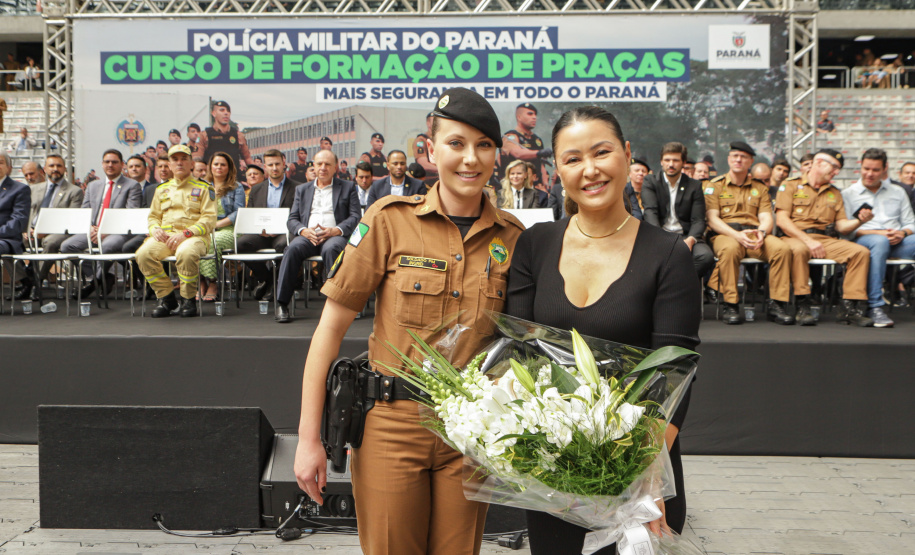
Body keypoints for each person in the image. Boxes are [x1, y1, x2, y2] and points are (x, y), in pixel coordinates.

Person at [293, 87, 524, 555]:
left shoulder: (513, 238)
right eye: (456, 143)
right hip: (391, 425)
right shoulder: (389, 220)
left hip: (470, 432)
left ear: (496, 155)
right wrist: (307, 439)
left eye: (483, 145)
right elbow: (329, 331)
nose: (470, 158)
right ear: (431, 149)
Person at [505, 106, 699, 555]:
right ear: (558, 171)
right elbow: (518, 351)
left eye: (601, 152)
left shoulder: (668, 253)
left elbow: (676, 371)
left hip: (639, 475)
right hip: (553, 476)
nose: (589, 169)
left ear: (627, 154)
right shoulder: (535, 245)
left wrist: (643, 472)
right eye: (573, 159)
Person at [776, 149, 873, 326]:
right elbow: (782, 220)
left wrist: (860, 220)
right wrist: (808, 240)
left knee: (860, 252)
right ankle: (802, 304)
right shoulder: (790, 185)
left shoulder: (834, 192)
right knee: (800, 250)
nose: (836, 172)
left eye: (838, 169)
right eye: (834, 167)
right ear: (819, 162)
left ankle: (849, 308)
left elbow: (841, 227)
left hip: (824, 239)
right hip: (794, 236)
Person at [704, 142, 794, 325]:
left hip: (754, 234)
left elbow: (766, 217)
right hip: (726, 234)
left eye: (743, 157)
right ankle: (730, 305)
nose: (738, 160)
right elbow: (712, 219)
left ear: (751, 161)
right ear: (729, 159)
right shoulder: (715, 186)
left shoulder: (759, 188)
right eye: (735, 156)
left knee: (782, 249)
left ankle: (776, 305)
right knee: (730, 250)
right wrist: (736, 235)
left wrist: (762, 232)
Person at [274, 149, 360, 323]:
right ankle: (282, 304)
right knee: (292, 249)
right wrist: (303, 231)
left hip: (334, 236)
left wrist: (336, 230)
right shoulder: (302, 189)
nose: (323, 168)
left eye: (327, 164)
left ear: (335, 167)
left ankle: (338, 303)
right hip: (309, 236)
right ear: (313, 165)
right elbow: (292, 219)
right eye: (319, 164)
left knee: (332, 249)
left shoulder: (348, 187)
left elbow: (355, 216)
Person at [137, 144, 216, 318]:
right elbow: (153, 217)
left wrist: (186, 234)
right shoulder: (161, 189)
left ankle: (188, 299)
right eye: (175, 160)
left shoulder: (205, 188)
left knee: (186, 253)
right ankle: (167, 298)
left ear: (191, 164)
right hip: (165, 238)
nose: (179, 163)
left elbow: (209, 219)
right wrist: (155, 229)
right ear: (170, 165)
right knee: (143, 254)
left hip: (193, 237)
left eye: (184, 159)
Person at [841, 148, 915, 328]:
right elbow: (847, 231)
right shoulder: (848, 194)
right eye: (866, 169)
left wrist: (903, 233)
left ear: (884, 169)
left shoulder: (898, 191)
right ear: (860, 166)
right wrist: (879, 234)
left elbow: (911, 223)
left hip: (898, 241)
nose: (870, 174)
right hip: (865, 240)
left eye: (875, 170)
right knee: (879, 242)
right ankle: (874, 306)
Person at [61, 148, 142, 298]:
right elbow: (85, 212)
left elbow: (130, 214)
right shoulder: (93, 186)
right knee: (67, 246)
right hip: (93, 231)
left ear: (122, 165)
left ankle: (95, 282)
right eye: (107, 162)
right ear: (102, 164)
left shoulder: (132, 185)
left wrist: (106, 230)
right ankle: (104, 276)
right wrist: (90, 228)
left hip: (118, 232)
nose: (110, 165)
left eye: (114, 162)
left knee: (107, 246)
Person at [641, 142, 715, 278]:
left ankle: (675, 284)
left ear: (683, 163)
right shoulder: (651, 182)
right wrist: (661, 239)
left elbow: (698, 220)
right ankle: (675, 284)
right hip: (658, 235)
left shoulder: (694, 186)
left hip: (685, 236)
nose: (671, 164)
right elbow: (650, 212)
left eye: (675, 160)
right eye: (667, 160)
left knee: (705, 257)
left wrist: (691, 239)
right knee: (645, 257)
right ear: (661, 162)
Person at [14, 154, 83, 300]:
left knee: (50, 242)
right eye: (51, 166)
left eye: (59, 166)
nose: (55, 169)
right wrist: (25, 230)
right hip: (32, 231)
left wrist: (45, 230)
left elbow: (71, 219)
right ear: (44, 169)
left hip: (59, 232)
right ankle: (26, 280)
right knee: (11, 241)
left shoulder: (74, 191)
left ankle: (37, 283)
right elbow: (25, 213)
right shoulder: (33, 189)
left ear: (65, 169)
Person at [235, 149, 299, 301]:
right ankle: (270, 280)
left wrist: (281, 229)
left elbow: (300, 215)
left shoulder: (298, 188)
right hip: (261, 233)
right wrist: (259, 229)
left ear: (284, 164)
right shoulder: (256, 189)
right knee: (240, 244)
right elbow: (251, 215)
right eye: (270, 165)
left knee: (285, 245)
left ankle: (276, 285)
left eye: (277, 164)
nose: (274, 168)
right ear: (265, 167)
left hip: (285, 232)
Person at [197, 152, 244, 302]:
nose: (219, 167)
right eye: (216, 164)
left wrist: (217, 224)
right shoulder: (201, 186)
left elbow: (238, 212)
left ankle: (213, 283)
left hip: (228, 229)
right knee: (193, 243)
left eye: (223, 164)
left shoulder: (236, 187)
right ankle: (201, 281)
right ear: (210, 167)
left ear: (229, 168)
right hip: (205, 228)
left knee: (212, 241)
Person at [500, 102, 551, 203]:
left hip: (536, 186)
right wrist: (539, 153)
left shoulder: (537, 139)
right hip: (515, 187)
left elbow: (541, 164)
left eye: (535, 114)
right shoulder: (511, 136)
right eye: (530, 114)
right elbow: (517, 153)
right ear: (519, 117)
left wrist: (545, 183)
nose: (534, 117)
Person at [199, 100, 254, 170]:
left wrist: (256, 171)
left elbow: (248, 158)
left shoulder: (238, 135)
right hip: (212, 175)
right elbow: (198, 159)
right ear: (214, 113)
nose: (226, 113)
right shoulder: (204, 135)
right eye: (222, 110)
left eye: (228, 111)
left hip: (233, 175)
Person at [0, 152, 30, 256]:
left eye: (0, 162)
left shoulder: (20, 189)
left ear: (8, 167)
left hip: (7, 239)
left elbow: (18, 222)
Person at [413, 111, 439, 187]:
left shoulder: (441, 139)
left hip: (441, 181)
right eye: (434, 120)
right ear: (428, 123)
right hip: (427, 183)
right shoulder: (421, 140)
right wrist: (442, 169)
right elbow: (423, 163)